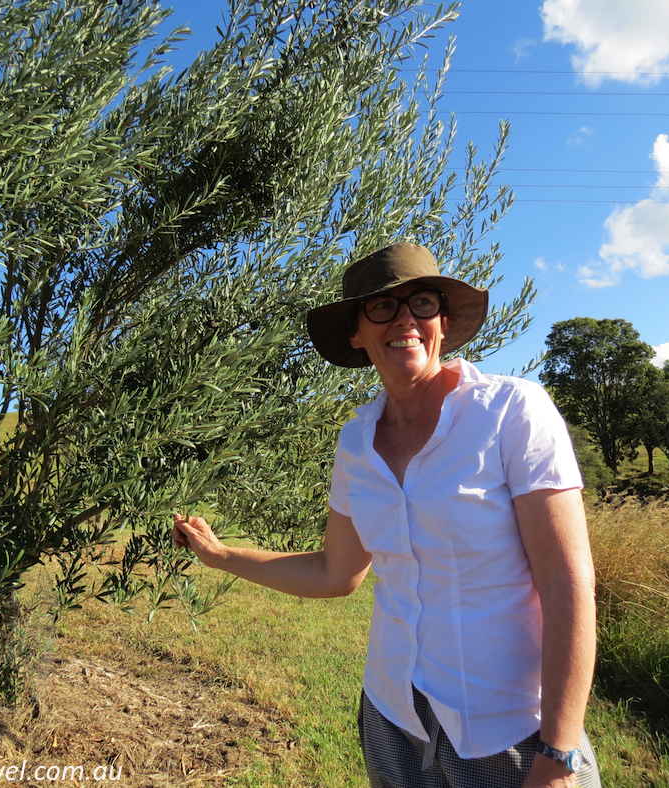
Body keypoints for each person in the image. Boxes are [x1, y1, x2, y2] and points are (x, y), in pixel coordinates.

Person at [172, 242, 601, 788]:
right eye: (381, 307)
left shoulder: (513, 411)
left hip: (511, 732)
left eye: (421, 303)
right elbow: (335, 573)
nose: (405, 320)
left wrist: (559, 753)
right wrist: (221, 555)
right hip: (394, 719)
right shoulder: (355, 442)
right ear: (356, 332)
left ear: (442, 322)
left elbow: (567, 584)